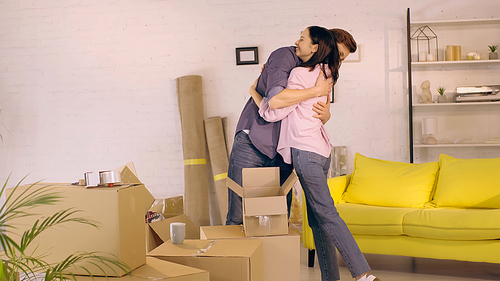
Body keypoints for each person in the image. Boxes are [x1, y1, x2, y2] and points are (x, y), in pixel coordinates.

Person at [250, 26, 379, 281]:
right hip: (321, 152)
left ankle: (363, 274)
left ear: (317, 46)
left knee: (326, 213)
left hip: (305, 152)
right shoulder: (327, 75)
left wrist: (255, 90)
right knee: (318, 221)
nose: (339, 60)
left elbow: (272, 110)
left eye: (302, 38)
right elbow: (317, 113)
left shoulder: (300, 73)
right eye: (340, 54)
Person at [225, 32, 335, 226]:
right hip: (254, 140)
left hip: (282, 150)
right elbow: (275, 102)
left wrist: (326, 114)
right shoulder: (285, 57)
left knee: (277, 217)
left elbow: (309, 113)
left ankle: (273, 256)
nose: (296, 42)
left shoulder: (316, 72)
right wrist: (316, 91)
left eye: (302, 38)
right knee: (239, 214)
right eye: (340, 54)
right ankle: (238, 256)